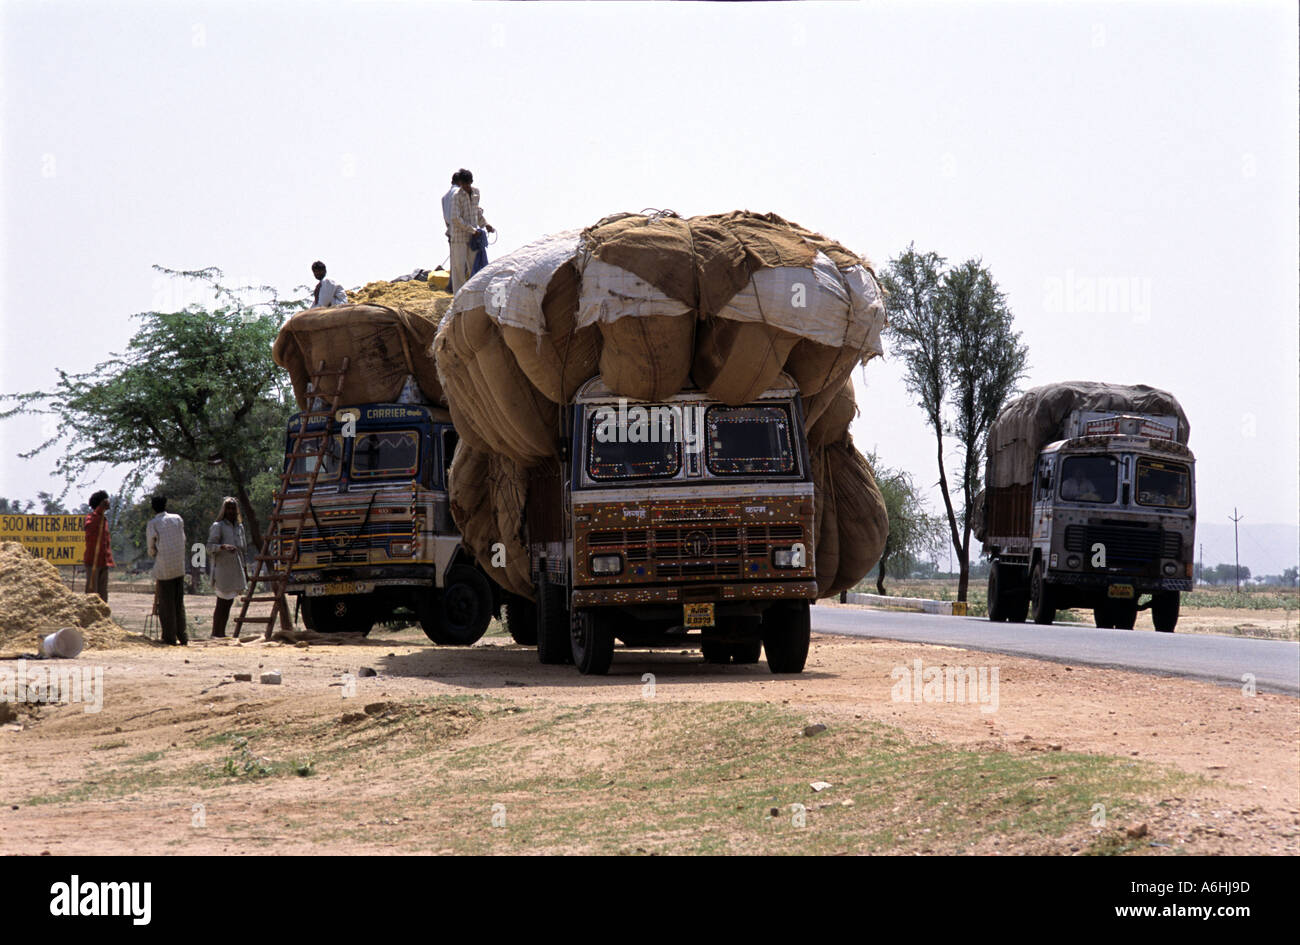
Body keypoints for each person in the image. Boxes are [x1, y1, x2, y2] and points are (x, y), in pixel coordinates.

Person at [146, 495, 188, 645]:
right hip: (179, 565)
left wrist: (155, 554)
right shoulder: (177, 518)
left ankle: (169, 637)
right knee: (178, 602)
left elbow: (151, 548)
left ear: (153, 507)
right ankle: (183, 636)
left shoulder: (153, 523)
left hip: (164, 568)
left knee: (166, 604)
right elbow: (183, 539)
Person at [206, 497, 248, 639]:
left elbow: (243, 550)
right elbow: (209, 547)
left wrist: (245, 570)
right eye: (228, 508)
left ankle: (221, 633)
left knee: (229, 602)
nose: (231, 511)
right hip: (222, 570)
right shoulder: (218, 526)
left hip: (235, 569)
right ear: (224, 510)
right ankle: (216, 633)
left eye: (233, 508)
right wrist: (222, 547)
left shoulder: (240, 527)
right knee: (221, 602)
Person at [448, 169, 494, 293]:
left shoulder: (476, 193)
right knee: (458, 268)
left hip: (474, 238)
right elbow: (455, 218)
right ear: (460, 183)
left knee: (475, 266)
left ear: (471, 182)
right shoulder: (456, 196)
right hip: (459, 238)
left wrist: (486, 224)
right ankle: (459, 297)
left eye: (468, 184)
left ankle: (474, 294)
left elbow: (476, 213)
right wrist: (472, 230)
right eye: (464, 184)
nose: (466, 187)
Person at [82, 490, 114, 602]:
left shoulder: (104, 520)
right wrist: (100, 510)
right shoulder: (91, 518)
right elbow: (90, 527)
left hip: (104, 561)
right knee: (92, 592)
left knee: (103, 594)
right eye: (106, 501)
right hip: (93, 562)